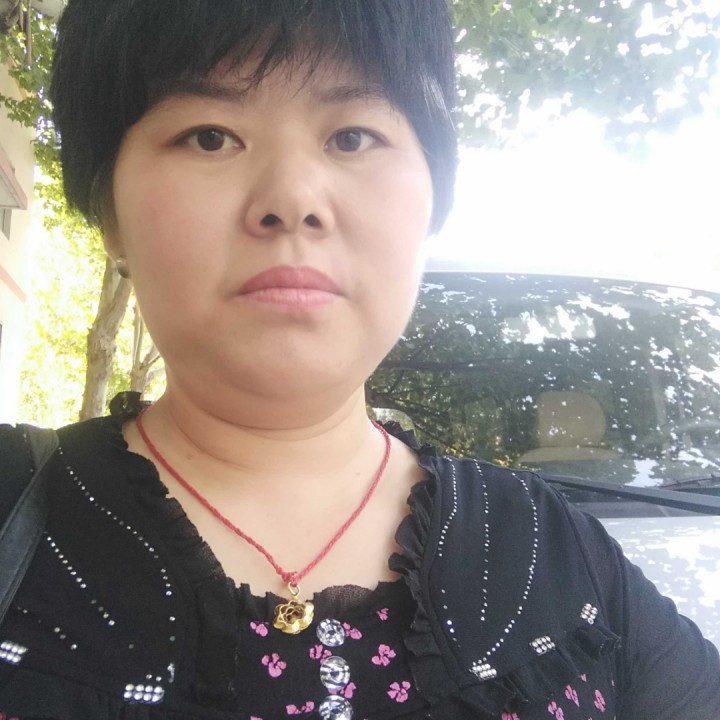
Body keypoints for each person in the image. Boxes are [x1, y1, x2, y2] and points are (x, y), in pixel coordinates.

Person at [0, 1, 718, 718]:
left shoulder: (561, 556)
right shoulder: (16, 512)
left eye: (352, 136)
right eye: (210, 136)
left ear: (433, 199)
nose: (291, 199)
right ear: (110, 213)